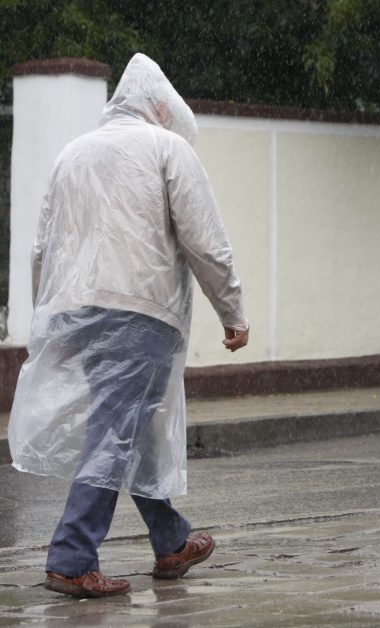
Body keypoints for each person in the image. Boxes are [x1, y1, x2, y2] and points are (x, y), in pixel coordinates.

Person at [7, 53, 249, 598]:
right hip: (140, 311)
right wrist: (232, 311)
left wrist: (48, 321)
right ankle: (71, 558)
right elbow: (204, 239)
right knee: (116, 429)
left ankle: (170, 540)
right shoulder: (167, 148)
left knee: (129, 425)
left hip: (78, 308)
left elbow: (43, 246)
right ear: (160, 106)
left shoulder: (73, 152)